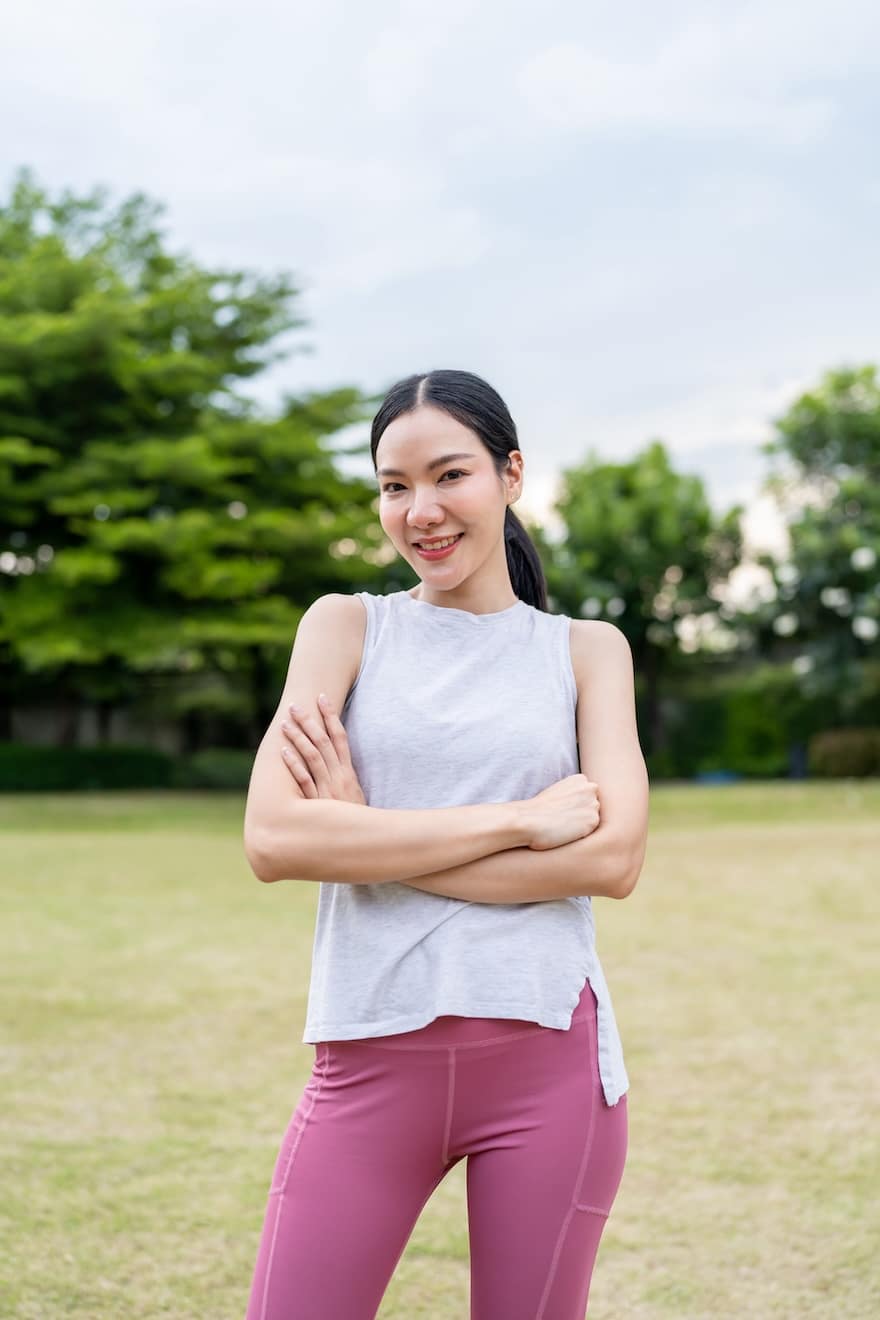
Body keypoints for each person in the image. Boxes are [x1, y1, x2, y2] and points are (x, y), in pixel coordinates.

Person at [241, 369, 650, 1320]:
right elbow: (272, 837)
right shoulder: (346, 628)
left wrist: (365, 834)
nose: (419, 510)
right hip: (369, 1057)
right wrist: (519, 822)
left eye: (449, 475)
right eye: (393, 485)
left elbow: (612, 861)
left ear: (511, 475)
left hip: (551, 1065)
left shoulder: (586, 651)